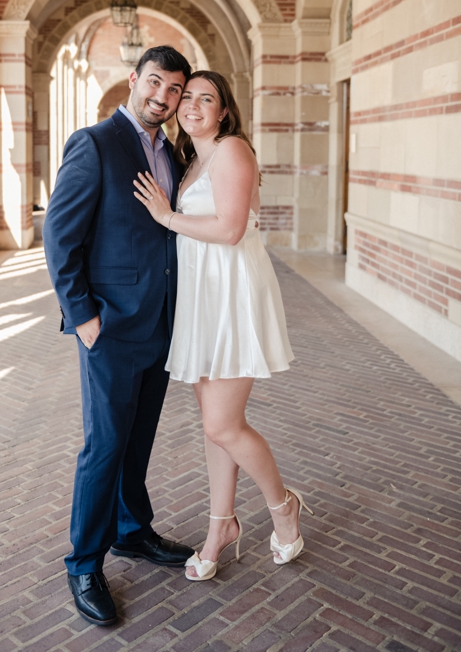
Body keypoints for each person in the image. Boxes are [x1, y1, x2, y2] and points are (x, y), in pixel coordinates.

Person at [132, 70, 311, 582]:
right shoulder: (192, 159)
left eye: (205, 99)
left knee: (222, 425)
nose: (191, 105)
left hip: (232, 297)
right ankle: (220, 528)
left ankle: (283, 507)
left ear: (224, 111)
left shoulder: (232, 150)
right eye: (185, 97)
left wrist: (166, 217)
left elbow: (231, 229)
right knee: (215, 427)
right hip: (203, 299)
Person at [42, 45, 196, 627]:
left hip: (161, 323)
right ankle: (83, 561)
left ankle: (132, 532)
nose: (162, 97)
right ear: (134, 80)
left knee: (138, 439)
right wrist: (84, 318)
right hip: (109, 326)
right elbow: (60, 237)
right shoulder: (95, 143)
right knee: (104, 445)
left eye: (174, 90)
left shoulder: (172, 153)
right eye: (154, 83)